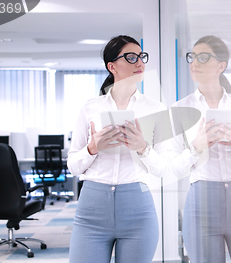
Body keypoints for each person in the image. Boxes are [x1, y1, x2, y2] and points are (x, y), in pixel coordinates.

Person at [67, 35, 168, 263]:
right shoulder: (90, 108)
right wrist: (92, 148)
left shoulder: (156, 109)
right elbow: (73, 166)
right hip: (92, 209)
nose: (140, 63)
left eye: (142, 57)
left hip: (138, 211)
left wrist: (142, 148)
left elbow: (163, 169)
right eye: (131, 57)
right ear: (112, 66)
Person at [170, 35, 231, 263]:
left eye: (203, 57)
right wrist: (196, 147)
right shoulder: (180, 109)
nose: (194, 63)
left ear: (221, 66)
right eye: (192, 57)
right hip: (202, 204)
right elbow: (174, 168)